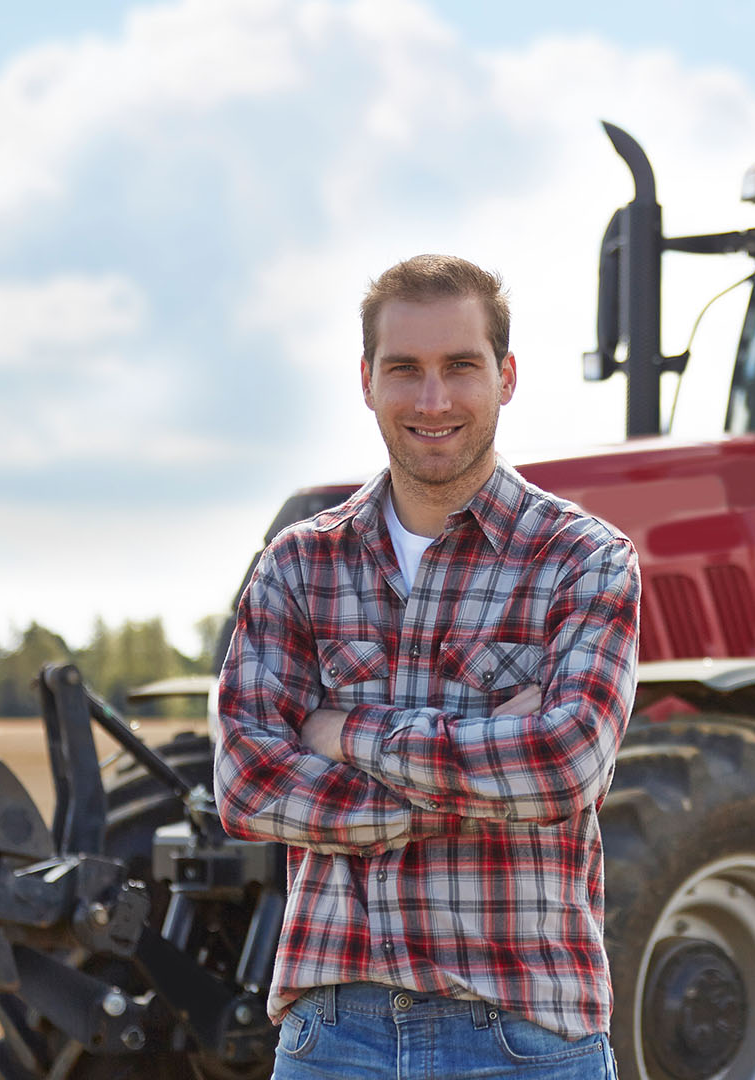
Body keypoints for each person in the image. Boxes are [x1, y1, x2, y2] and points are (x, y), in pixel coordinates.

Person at [212, 254, 639, 1078]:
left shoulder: (583, 561)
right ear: (366, 380)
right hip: (335, 1033)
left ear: (506, 376)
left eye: (460, 368)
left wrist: (343, 735)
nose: (433, 399)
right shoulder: (298, 566)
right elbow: (245, 781)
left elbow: (563, 764)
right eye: (405, 369)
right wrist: (479, 768)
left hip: (525, 1033)